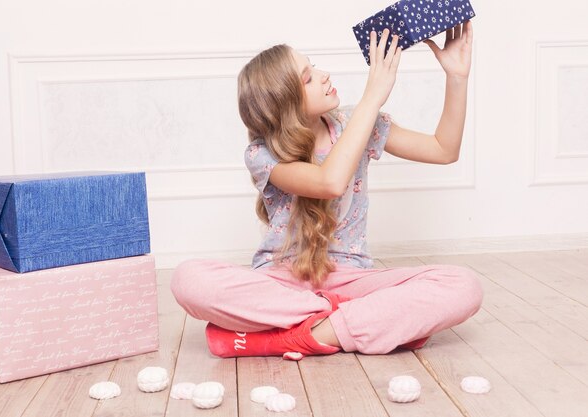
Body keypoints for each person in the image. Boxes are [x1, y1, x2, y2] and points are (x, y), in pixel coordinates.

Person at [171, 22, 483, 359]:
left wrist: (457, 78)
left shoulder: (359, 124)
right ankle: (351, 322)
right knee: (188, 279)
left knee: (463, 285)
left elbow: (443, 149)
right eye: (307, 77)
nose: (323, 75)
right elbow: (328, 183)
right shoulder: (261, 154)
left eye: (313, 65)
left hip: (352, 280)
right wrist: (373, 95)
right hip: (281, 283)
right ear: (284, 103)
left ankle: (289, 336)